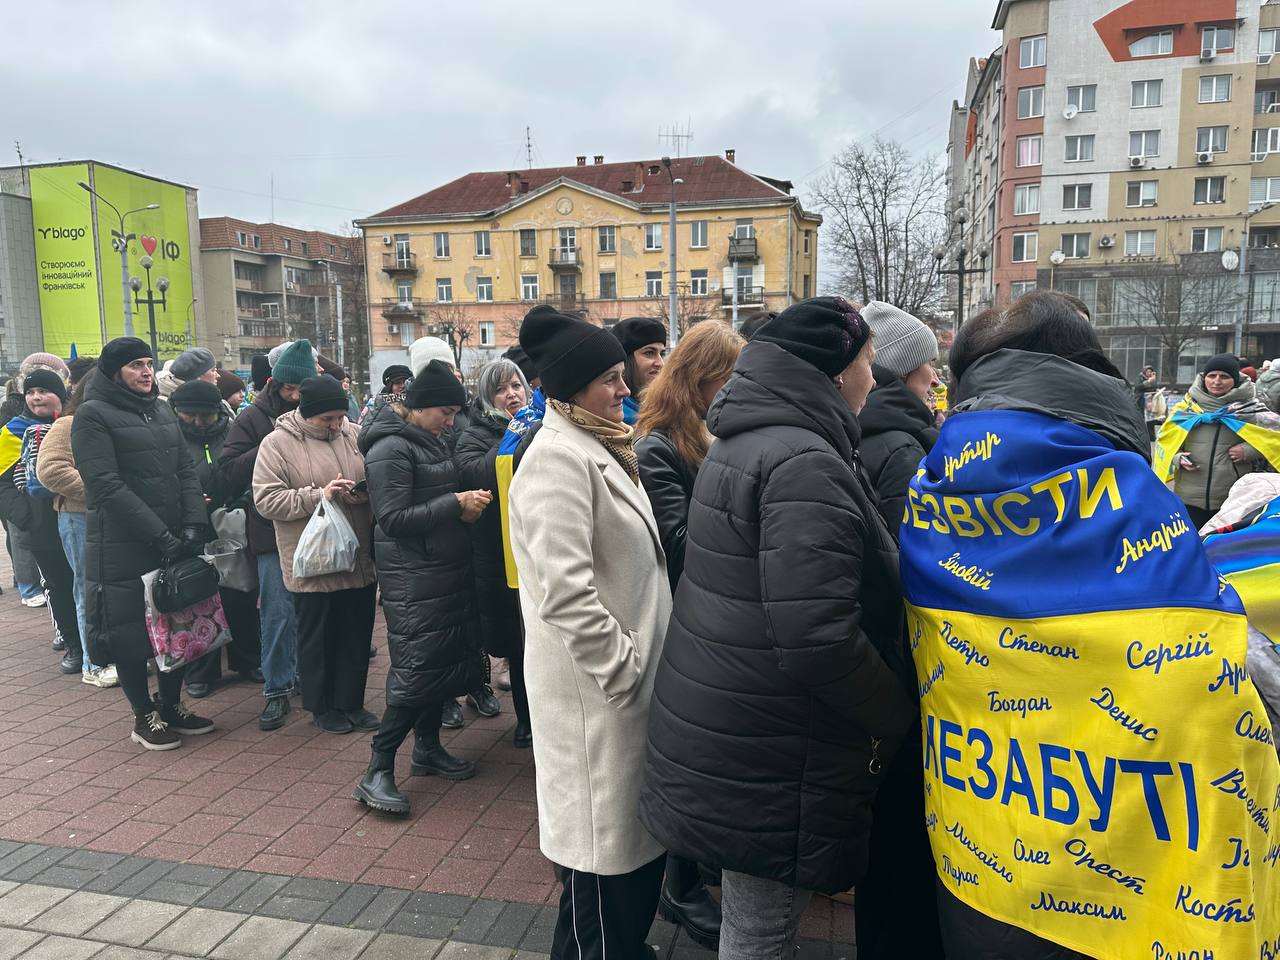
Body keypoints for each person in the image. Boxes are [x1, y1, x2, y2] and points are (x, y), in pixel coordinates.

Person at [903, 293, 1280, 960]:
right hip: (1132, 896)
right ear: (1091, 370)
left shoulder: (930, 491)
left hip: (977, 854)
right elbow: (1218, 671)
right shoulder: (1128, 496)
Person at [638, 297, 917, 960]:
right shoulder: (804, 462)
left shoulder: (752, 436)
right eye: (867, 365)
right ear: (831, 372)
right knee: (761, 934)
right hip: (778, 741)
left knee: (753, 922)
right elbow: (816, 636)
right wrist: (894, 713)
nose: (873, 381)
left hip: (743, 721)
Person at [509, 307, 673, 959]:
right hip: (598, 707)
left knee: (610, 885)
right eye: (610, 378)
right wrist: (625, 672)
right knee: (605, 883)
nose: (626, 387)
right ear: (571, 387)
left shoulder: (599, 444)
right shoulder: (556, 461)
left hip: (620, 704)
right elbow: (566, 594)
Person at [633, 320, 744, 950]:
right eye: (730, 376)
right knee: (688, 759)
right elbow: (674, 543)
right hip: (681, 618)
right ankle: (677, 887)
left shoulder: (703, 432)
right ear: (702, 378)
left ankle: (691, 869)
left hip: (704, 617)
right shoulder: (659, 445)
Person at [353, 361, 489, 814]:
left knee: (440, 666)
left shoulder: (435, 439)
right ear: (419, 407)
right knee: (416, 671)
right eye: (445, 412)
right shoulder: (389, 448)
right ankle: (377, 769)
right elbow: (392, 519)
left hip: (443, 570)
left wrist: (463, 509)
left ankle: (427, 749)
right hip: (413, 578)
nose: (452, 421)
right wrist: (454, 504)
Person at [72, 338, 214, 750]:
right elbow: (106, 486)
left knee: (174, 622)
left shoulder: (160, 409)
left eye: (149, 364)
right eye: (136, 365)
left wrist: (192, 524)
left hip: (172, 538)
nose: (147, 372)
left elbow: (185, 470)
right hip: (123, 543)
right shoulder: (92, 415)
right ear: (114, 371)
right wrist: (160, 534)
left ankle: (171, 705)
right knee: (131, 633)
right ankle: (143, 716)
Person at [253, 374, 378, 734]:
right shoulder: (276, 444)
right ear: (306, 414)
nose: (337, 425)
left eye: (340, 417)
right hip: (313, 557)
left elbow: (370, 474)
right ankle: (322, 706)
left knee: (356, 631)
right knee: (318, 634)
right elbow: (266, 500)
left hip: (356, 552)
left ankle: (351, 702)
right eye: (328, 419)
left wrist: (361, 493)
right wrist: (318, 495)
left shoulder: (353, 434)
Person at [219, 339, 314, 731]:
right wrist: (268, 446)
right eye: (288, 389)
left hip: (313, 526)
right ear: (275, 385)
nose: (294, 397)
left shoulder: (317, 412)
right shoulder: (252, 418)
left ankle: (311, 680)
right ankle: (276, 690)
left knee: (312, 612)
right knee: (277, 612)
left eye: (300, 390)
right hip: (269, 530)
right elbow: (224, 474)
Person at [454, 358, 533, 747]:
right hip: (500, 555)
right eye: (501, 389)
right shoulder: (474, 432)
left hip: (539, 546)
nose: (512, 394)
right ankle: (526, 719)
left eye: (516, 385)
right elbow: (476, 474)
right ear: (488, 397)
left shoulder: (544, 421)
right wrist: (513, 439)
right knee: (518, 642)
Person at [171, 380, 263, 699]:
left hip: (230, 521)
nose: (198, 422)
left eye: (205, 417)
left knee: (239, 593)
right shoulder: (168, 438)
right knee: (196, 598)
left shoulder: (233, 431)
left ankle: (248, 658)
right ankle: (201, 671)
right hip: (186, 525)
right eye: (189, 416)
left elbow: (253, 472)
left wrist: (239, 500)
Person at [1, 367, 86, 674]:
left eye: (43, 391)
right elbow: (3, 483)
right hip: (43, 525)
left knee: (87, 582)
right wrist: (26, 516)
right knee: (60, 584)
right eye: (30, 392)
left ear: (60, 394)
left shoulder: (76, 424)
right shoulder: (12, 431)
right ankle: (75, 645)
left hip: (79, 517)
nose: (36, 397)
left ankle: (95, 644)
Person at [35, 377, 118, 687]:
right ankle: (93, 663)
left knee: (113, 590)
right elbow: (51, 469)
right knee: (89, 590)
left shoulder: (114, 421)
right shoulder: (68, 424)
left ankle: (112, 656)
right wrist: (104, 490)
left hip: (115, 517)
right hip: (79, 516)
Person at [1156, 353, 1280, 528]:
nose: (1216, 381)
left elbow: (1274, 438)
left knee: (1224, 548)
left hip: (1233, 498)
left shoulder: (1250, 409)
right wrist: (1177, 458)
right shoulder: (1186, 408)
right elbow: (1165, 440)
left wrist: (1249, 451)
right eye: (1212, 375)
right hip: (1188, 496)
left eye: (1224, 377)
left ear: (1235, 380)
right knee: (1192, 544)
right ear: (1204, 378)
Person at [858, 301, 941, 535]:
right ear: (902, 369)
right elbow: (916, 546)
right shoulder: (902, 450)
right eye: (929, 363)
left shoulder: (860, 425)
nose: (936, 379)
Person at [610, 317, 666, 425]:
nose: (660, 363)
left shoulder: (666, 409)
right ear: (625, 360)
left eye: (662, 354)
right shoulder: (614, 418)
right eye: (649, 353)